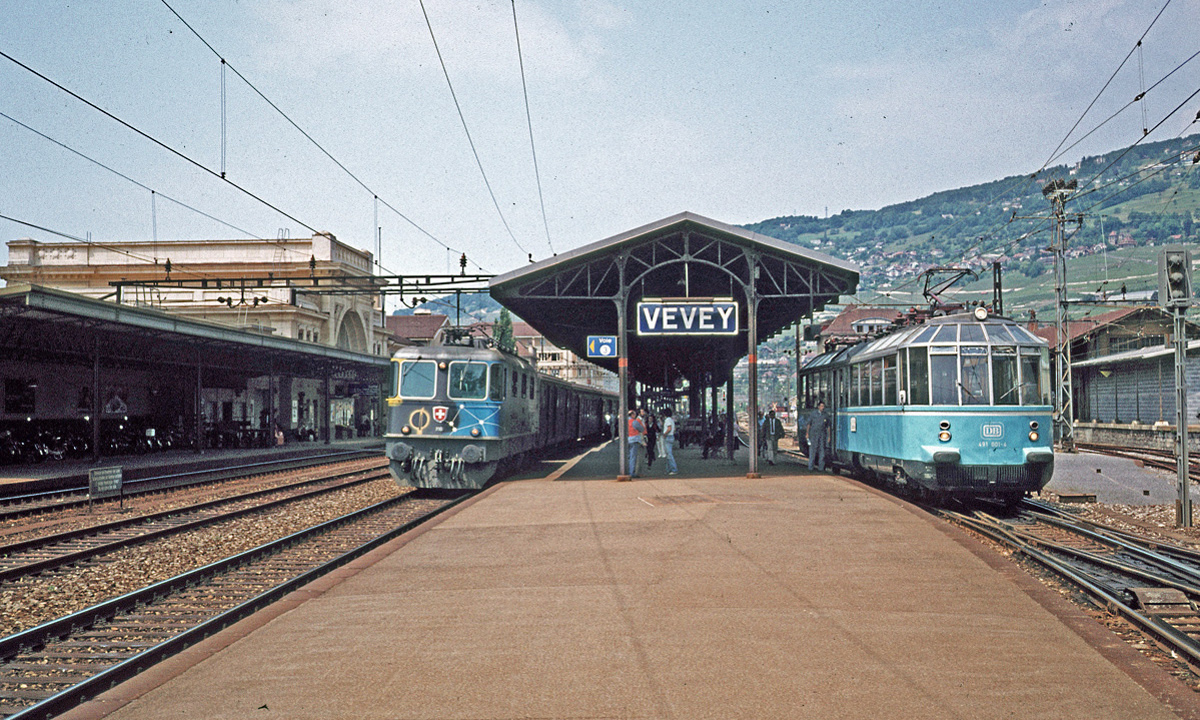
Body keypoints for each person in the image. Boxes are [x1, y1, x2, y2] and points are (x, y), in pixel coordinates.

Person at [804, 401, 830, 471]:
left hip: (822, 434)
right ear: (818, 407)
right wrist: (807, 433)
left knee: (822, 451)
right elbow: (809, 424)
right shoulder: (813, 414)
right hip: (814, 434)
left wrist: (829, 436)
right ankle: (810, 467)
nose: (822, 407)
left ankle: (821, 468)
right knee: (813, 450)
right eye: (821, 406)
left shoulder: (825, 415)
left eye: (823, 406)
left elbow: (828, 426)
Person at [627, 409, 646, 477]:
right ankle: (631, 472)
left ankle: (628, 470)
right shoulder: (634, 422)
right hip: (634, 440)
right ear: (632, 415)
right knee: (633, 457)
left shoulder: (625, 421)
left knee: (629, 456)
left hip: (627, 440)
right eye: (634, 414)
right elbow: (641, 429)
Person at [661, 408, 678, 475]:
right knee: (668, 454)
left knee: (669, 454)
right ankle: (668, 469)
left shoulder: (667, 420)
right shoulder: (671, 420)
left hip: (668, 437)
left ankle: (674, 469)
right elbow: (674, 429)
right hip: (671, 436)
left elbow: (669, 428)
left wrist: (664, 434)